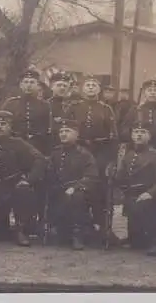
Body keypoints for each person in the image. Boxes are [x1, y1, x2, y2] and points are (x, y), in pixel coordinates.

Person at [65, 75, 119, 245]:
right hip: (77, 154)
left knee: (100, 192)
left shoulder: (106, 109)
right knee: (78, 190)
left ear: (99, 90)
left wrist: (112, 161)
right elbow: (65, 130)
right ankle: (78, 229)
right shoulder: (74, 107)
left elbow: (113, 137)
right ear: (82, 89)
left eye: (93, 85)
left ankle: (103, 229)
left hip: (100, 155)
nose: (90, 88)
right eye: (87, 85)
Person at [0, 110, 46, 246]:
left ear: (10, 127)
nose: (0, 127)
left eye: (3, 124)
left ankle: (21, 229)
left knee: (23, 193)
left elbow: (40, 158)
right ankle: (10, 230)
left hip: (15, 185)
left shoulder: (19, 143)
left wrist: (28, 180)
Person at [115, 116, 156, 256]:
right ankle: (137, 237)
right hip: (132, 196)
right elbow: (121, 178)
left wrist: (150, 193)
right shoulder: (128, 155)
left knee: (148, 206)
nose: (138, 135)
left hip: (151, 197)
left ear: (149, 136)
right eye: (136, 132)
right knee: (136, 242)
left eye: (142, 132)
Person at [46, 119, 99, 250]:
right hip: (58, 191)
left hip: (78, 192)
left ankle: (78, 234)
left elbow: (91, 176)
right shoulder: (55, 153)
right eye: (61, 131)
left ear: (76, 134)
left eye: (67, 131)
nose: (63, 134)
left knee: (77, 196)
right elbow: (49, 173)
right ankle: (55, 228)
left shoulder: (85, 154)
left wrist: (74, 187)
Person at [121, 79, 156, 167]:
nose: (152, 93)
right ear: (144, 93)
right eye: (149, 90)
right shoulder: (134, 111)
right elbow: (124, 131)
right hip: (139, 154)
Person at [1, 69, 52, 156]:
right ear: (21, 85)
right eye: (26, 82)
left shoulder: (45, 105)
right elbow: (3, 126)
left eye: (32, 82)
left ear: (37, 85)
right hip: (15, 147)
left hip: (37, 147)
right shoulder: (11, 103)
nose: (28, 85)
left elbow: (47, 130)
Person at [47, 71, 72, 147]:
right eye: (59, 85)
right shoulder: (45, 104)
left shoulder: (73, 105)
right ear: (52, 87)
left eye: (65, 86)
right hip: (51, 143)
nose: (62, 88)